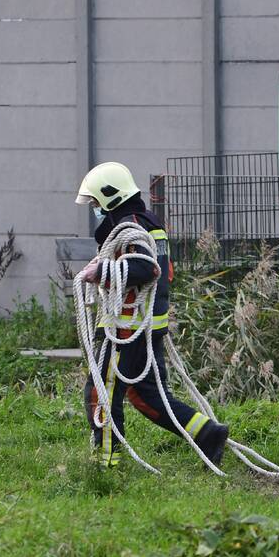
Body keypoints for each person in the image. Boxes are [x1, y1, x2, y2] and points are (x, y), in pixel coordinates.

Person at [76, 162, 230, 469]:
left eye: (95, 202)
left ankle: (105, 462)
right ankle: (208, 434)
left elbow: (147, 268)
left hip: (127, 327)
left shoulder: (132, 226)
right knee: (146, 396)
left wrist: (102, 270)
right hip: (146, 326)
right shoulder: (147, 223)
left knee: (100, 391)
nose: (94, 209)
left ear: (110, 197)